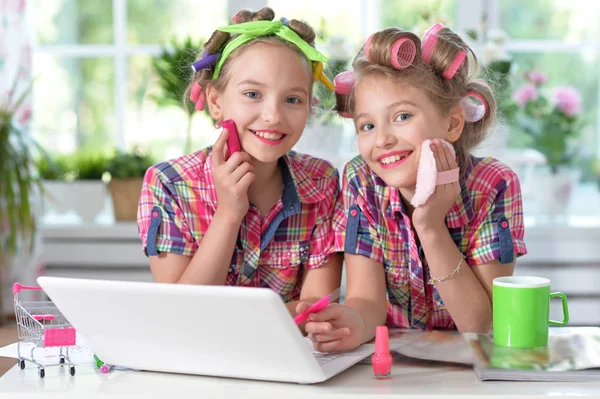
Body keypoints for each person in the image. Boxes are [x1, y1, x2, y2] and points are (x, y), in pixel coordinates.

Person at [301, 24, 527, 352]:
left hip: (472, 370)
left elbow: (483, 326)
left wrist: (430, 226)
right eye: (367, 125)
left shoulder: (492, 185)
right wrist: (354, 323)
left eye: (402, 116)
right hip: (397, 367)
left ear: (452, 123)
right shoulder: (362, 180)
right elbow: (367, 301)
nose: (382, 139)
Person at [137, 7, 342, 318]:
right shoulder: (169, 184)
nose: (273, 116)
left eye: (292, 99)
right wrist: (230, 212)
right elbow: (182, 314)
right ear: (216, 102)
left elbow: (314, 309)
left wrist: (230, 320)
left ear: (309, 107)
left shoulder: (321, 181)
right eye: (252, 94)